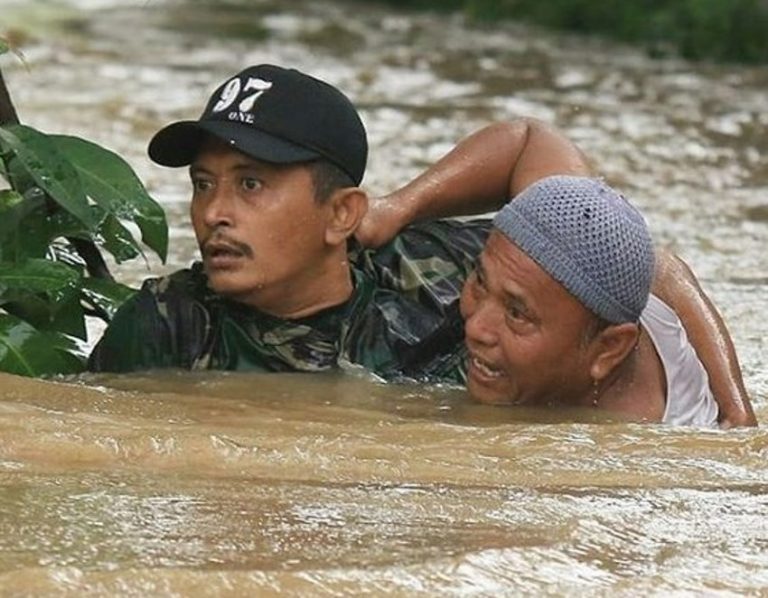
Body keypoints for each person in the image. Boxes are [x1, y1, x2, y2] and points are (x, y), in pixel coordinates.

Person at [88, 63, 755, 427]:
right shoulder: (167, 327)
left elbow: (638, 257)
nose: (213, 214)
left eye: (252, 184)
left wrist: (735, 409)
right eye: (203, 185)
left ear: (342, 211)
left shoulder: (437, 269)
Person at [460, 174, 719, 425]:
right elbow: (533, 138)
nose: (475, 328)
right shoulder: (579, 226)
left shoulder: (661, 443)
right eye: (481, 282)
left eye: (516, 314)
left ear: (609, 349)